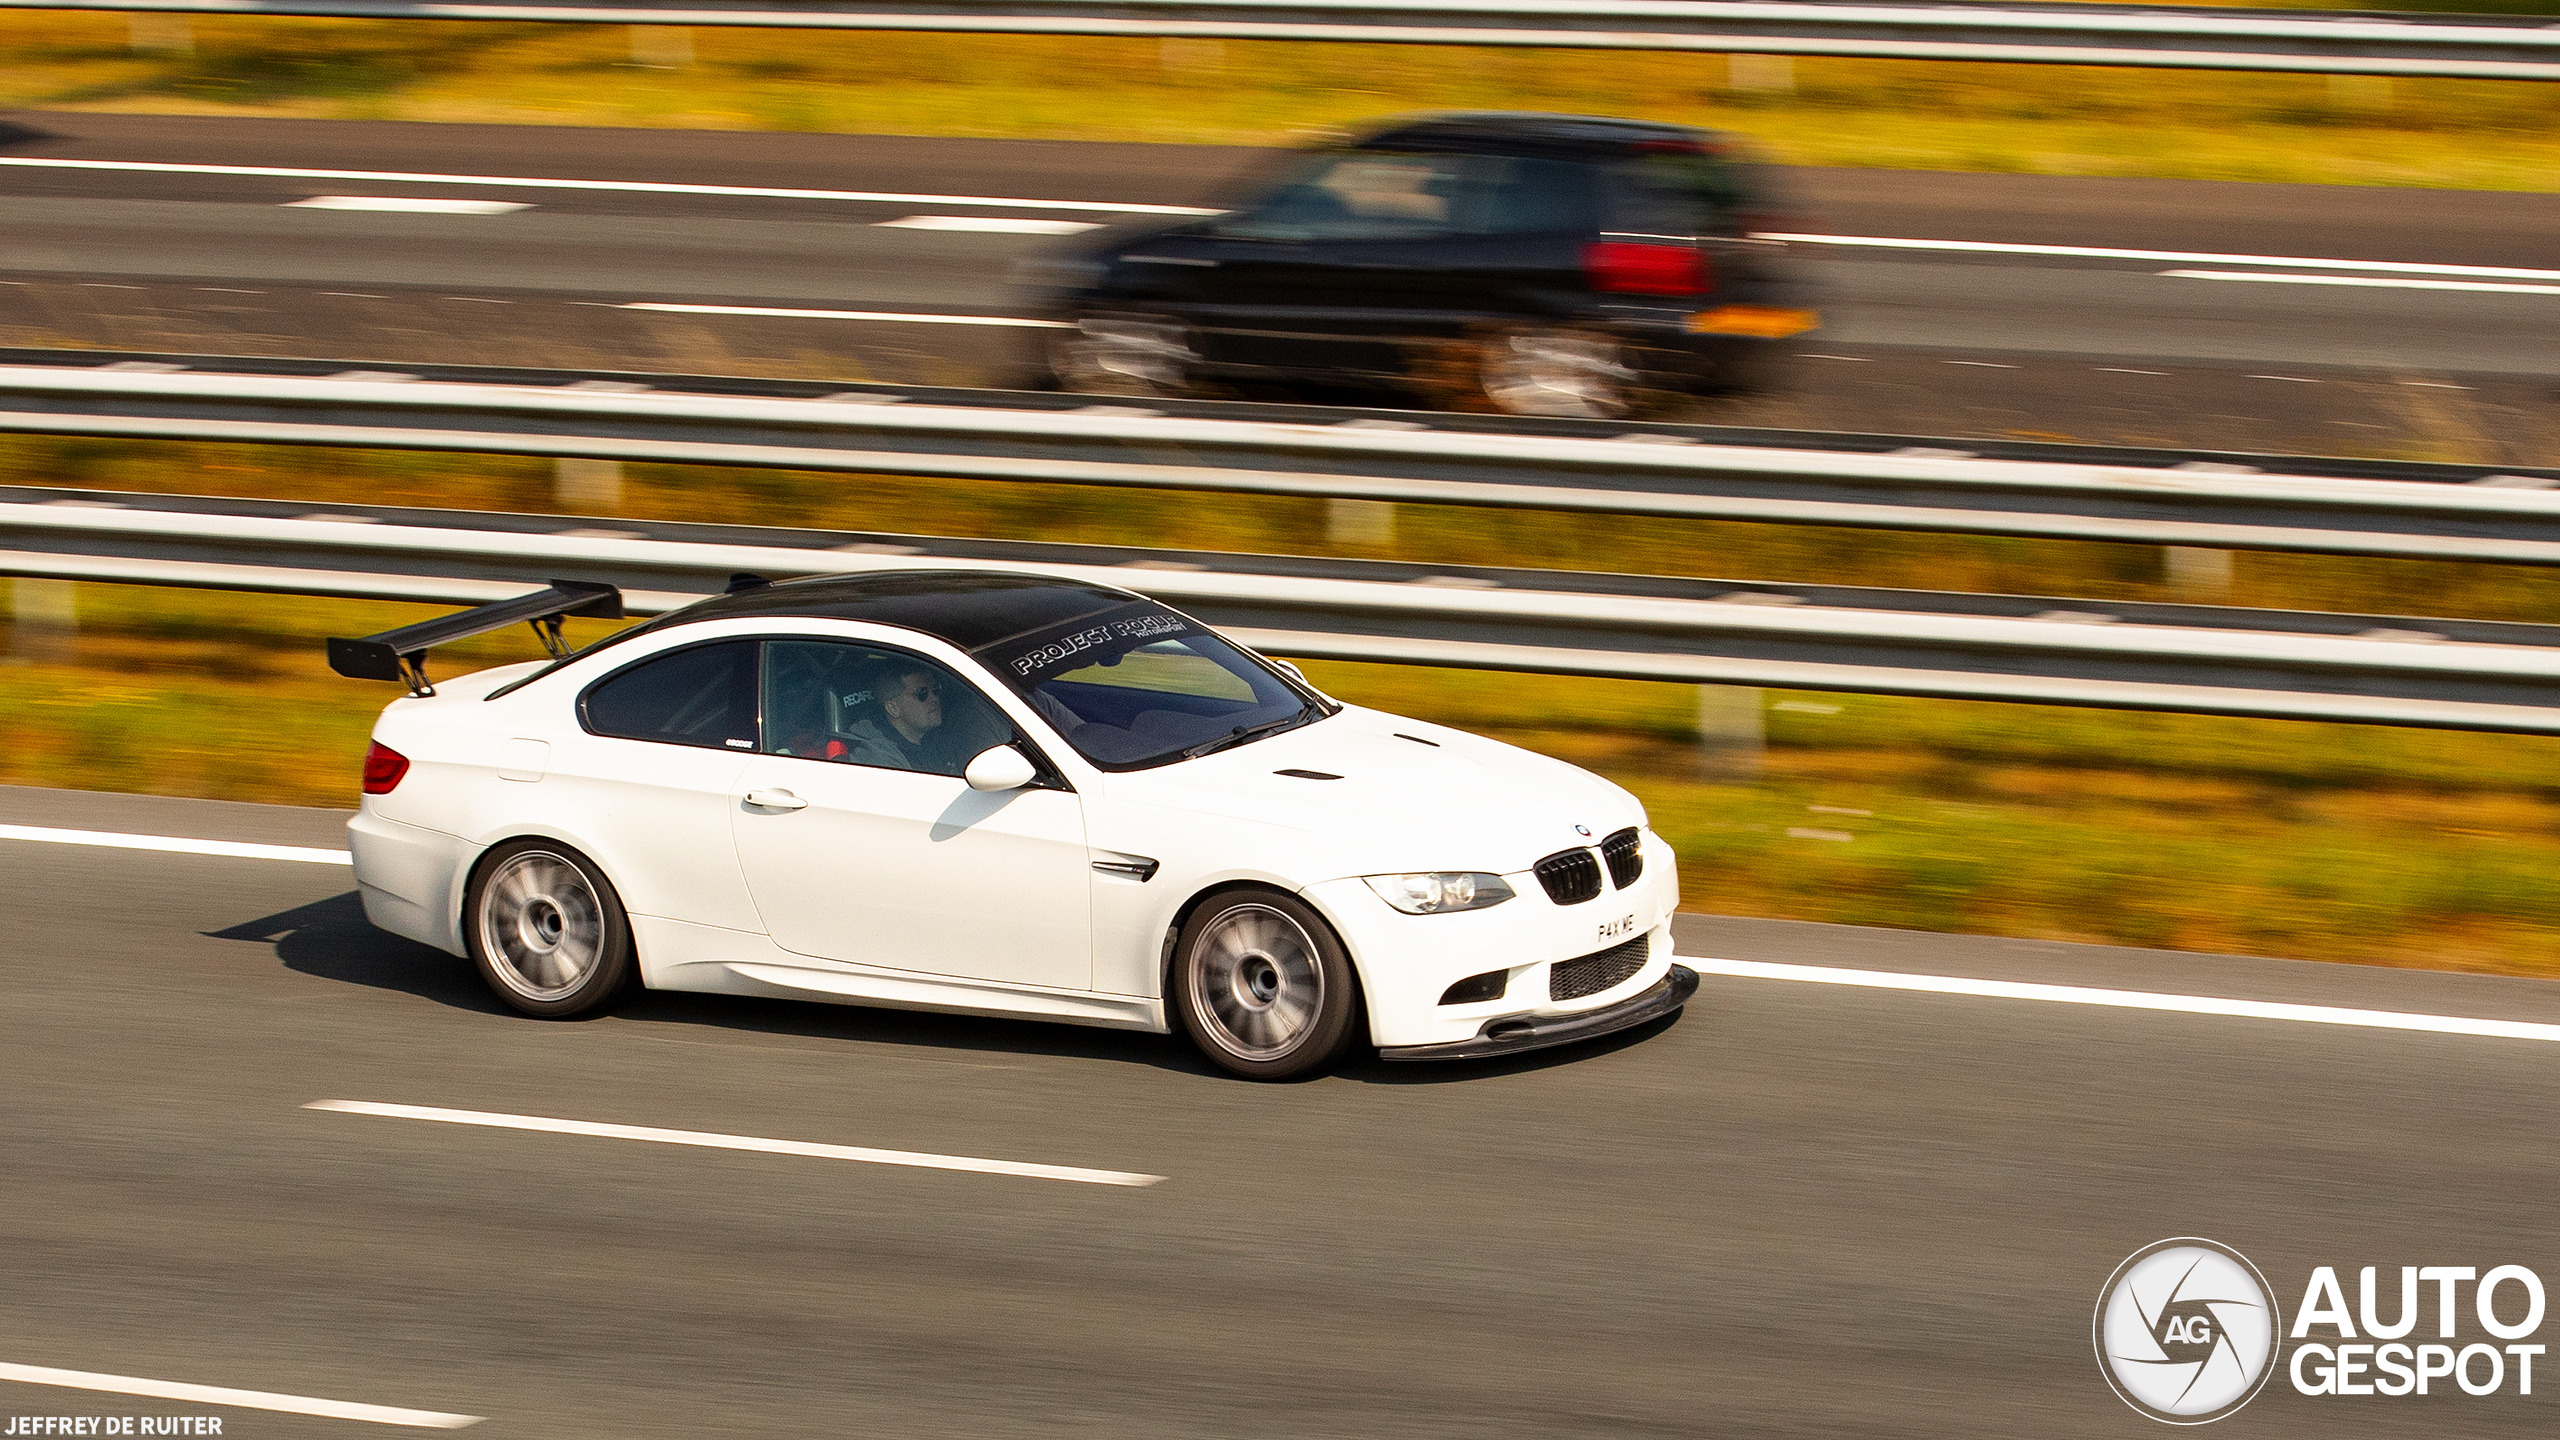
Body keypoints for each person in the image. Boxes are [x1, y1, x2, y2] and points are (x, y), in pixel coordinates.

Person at [829, 662, 948, 772]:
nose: (934, 698)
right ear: (893, 708)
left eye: (936, 689)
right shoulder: (880, 761)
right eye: (922, 693)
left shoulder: (941, 738)